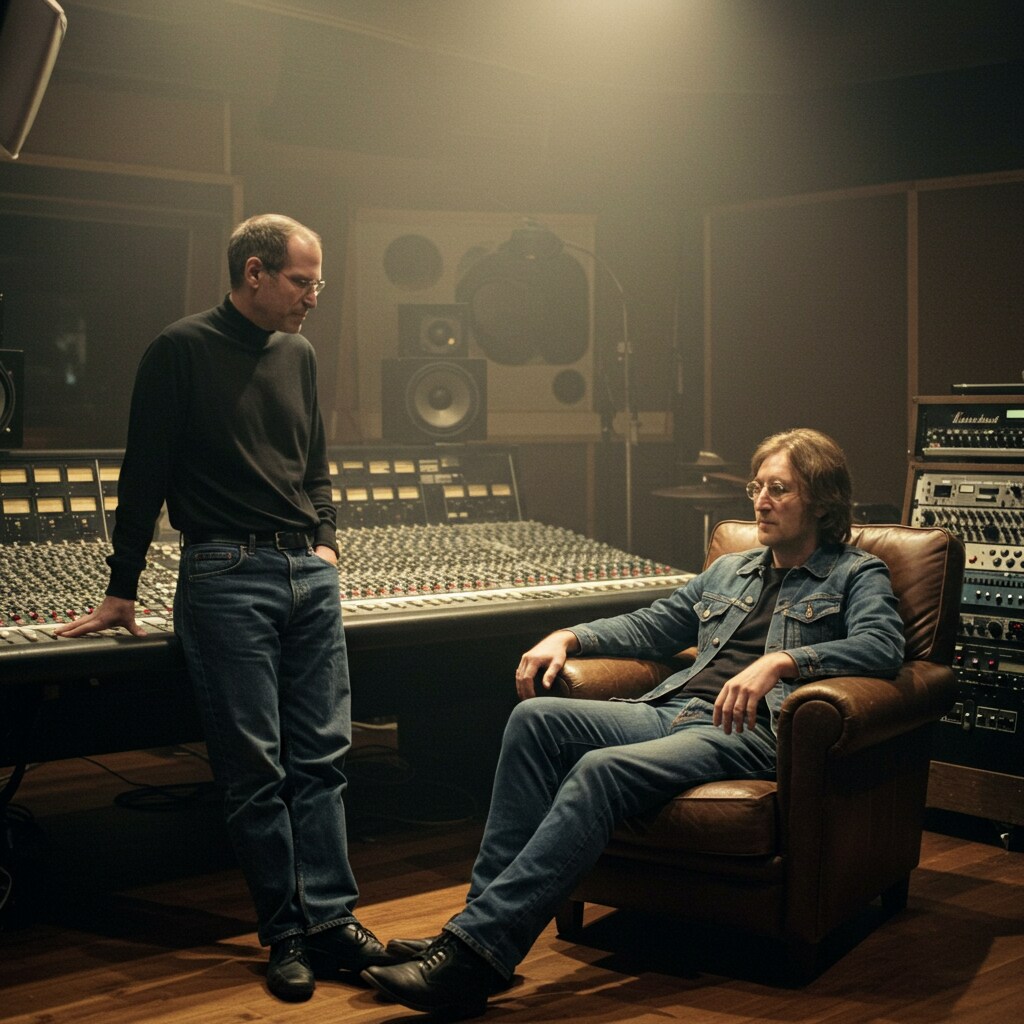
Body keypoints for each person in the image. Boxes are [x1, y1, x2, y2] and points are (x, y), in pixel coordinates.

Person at [360, 427, 906, 1018]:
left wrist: (783, 662)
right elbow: (653, 624)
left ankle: (474, 959)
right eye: (757, 487)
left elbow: (883, 646)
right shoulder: (731, 569)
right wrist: (568, 636)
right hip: (670, 710)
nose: (761, 502)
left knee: (601, 770)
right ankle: (471, 929)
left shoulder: (857, 573)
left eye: (779, 489)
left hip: (746, 730)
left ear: (822, 502)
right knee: (534, 719)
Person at [55, 214, 399, 1002]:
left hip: (307, 573)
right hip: (224, 572)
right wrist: (121, 587)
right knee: (256, 770)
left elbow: (316, 464)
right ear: (254, 273)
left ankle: (331, 922)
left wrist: (327, 544)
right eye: (302, 281)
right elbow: (144, 473)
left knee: (323, 760)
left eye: (318, 282)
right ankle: (286, 934)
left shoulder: (299, 354)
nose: (314, 296)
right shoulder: (179, 349)